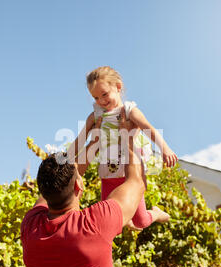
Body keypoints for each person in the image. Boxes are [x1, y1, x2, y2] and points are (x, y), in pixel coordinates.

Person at [21, 110, 146, 267]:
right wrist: (127, 137)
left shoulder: (30, 227)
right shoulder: (94, 224)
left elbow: (56, 184)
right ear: (79, 185)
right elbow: (136, 182)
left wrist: (95, 142)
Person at [68, 66, 177, 230]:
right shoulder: (96, 116)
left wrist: (165, 149)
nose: (101, 101)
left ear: (118, 87)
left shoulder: (129, 110)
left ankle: (156, 213)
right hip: (108, 173)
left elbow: (149, 128)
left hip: (130, 173)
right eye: (96, 97)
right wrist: (65, 159)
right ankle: (126, 221)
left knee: (142, 222)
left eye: (104, 94)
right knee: (108, 222)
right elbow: (81, 139)